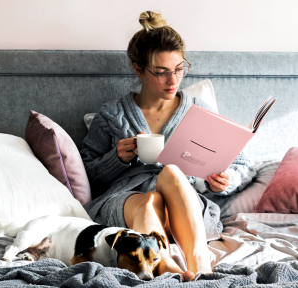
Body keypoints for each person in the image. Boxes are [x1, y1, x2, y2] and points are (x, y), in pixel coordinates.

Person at [81, 11, 256, 281]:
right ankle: (167, 268)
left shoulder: (199, 112)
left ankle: (199, 264)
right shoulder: (111, 115)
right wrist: (117, 158)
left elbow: (243, 164)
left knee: (171, 173)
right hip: (127, 201)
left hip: (184, 203)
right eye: (161, 73)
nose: (173, 81)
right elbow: (86, 173)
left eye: (178, 70)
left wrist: (225, 179)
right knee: (151, 199)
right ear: (139, 69)